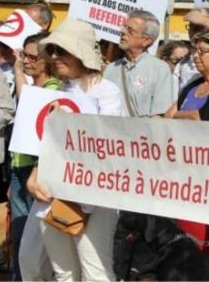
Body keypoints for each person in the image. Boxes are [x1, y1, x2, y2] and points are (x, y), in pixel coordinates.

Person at [25, 18, 126, 281]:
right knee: (63, 272)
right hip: (55, 191)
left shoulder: (108, 92)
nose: (55, 56)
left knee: (95, 271)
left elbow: (109, 143)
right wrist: (35, 176)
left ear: (81, 53)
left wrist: (66, 124)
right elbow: (43, 144)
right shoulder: (57, 92)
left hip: (99, 193)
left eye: (62, 50)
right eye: (53, 51)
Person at [164, 27, 209, 280]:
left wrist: (186, 117)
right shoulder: (193, 84)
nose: (196, 56)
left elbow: (203, 121)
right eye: (195, 50)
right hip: (183, 174)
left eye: (202, 51)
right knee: (185, 245)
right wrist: (187, 117)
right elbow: (169, 116)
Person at [10, 32, 60, 281]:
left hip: (37, 172)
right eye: (24, 55)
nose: (26, 61)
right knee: (20, 238)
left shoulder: (54, 89)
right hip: (19, 167)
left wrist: (18, 72)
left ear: (47, 61)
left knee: (37, 242)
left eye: (32, 57)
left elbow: (27, 104)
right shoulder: (34, 86)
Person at [104, 10, 175, 117]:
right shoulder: (110, 69)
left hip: (141, 133)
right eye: (124, 27)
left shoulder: (159, 69)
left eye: (130, 30)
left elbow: (160, 116)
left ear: (146, 41)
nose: (122, 31)